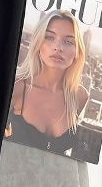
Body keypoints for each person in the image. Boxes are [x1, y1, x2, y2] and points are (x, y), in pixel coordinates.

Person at [5, 9, 89, 155]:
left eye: (68, 41)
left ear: (77, 52)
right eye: (49, 37)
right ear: (38, 43)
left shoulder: (80, 96)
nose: (58, 47)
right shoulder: (16, 87)